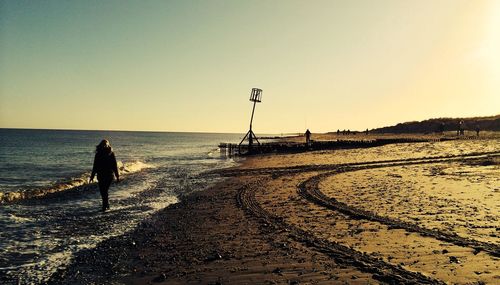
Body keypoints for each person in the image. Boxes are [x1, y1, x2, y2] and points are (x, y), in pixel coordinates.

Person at [90, 139, 120, 212]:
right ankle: (106, 205)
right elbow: (95, 166)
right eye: (104, 144)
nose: (104, 146)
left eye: (105, 144)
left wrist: (117, 176)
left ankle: (105, 206)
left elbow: (114, 165)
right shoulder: (102, 154)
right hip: (104, 175)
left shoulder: (108, 153)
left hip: (106, 175)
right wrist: (92, 176)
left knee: (104, 191)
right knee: (104, 191)